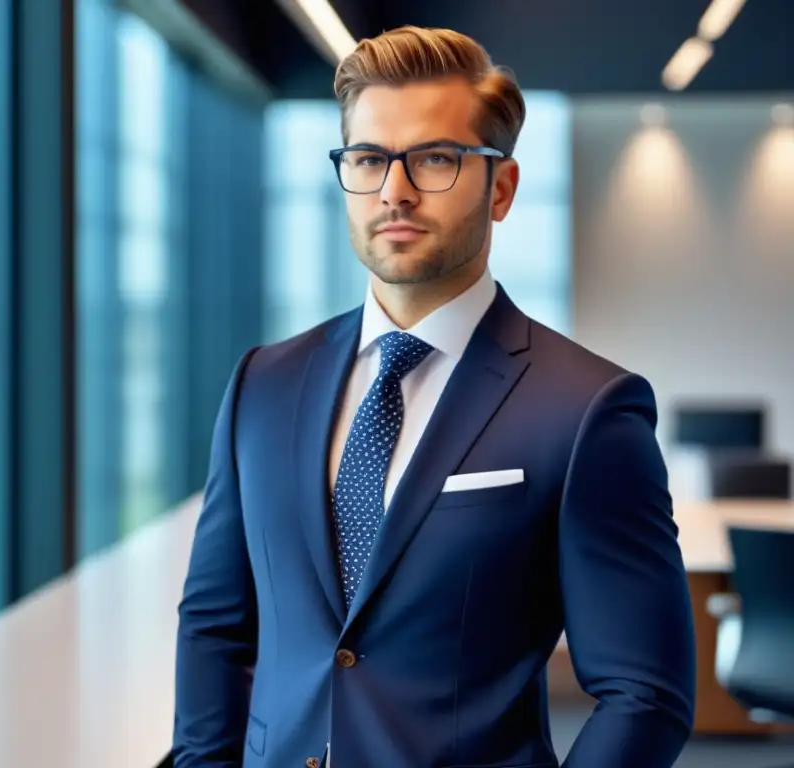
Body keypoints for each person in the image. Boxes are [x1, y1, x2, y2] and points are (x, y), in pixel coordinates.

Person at [172, 25, 696, 768]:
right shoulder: (264, 383)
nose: (395, 190)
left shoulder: (586, 410)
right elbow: (216, 627)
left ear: (502, 187)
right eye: (368, 159)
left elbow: (646, 692)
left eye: (436, 159)